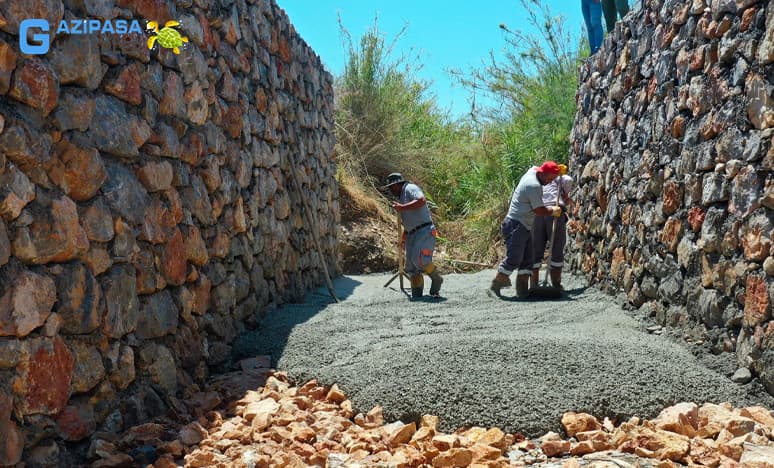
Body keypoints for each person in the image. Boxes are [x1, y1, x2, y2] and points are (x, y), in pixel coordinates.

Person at [490, 162, 563, 298]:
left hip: (524, 225)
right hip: (515, 224)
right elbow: (539, 210)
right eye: (549, 178)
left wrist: (558, 170)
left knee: (528, 259)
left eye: (553, 179)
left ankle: (522, 291)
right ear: (542, 173)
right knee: (514, 258)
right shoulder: (533, 185)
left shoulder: (534, 171)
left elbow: (537, 166)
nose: (550, 182)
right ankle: (495, 286)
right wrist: (553, 210)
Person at [385, 173, 443, 299]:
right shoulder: (401, 196)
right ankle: (417, 294)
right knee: (411, 267)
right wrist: (404, 238)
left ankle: (436, 278)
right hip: (412, 233)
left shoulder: (410, 188)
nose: (390, 190)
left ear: (397, 184)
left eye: (391, 187)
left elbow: (421, 201)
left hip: (424, 230)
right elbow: (409, 221)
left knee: (420, 260)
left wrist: (402, 207)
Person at [531, 164, 573, 290]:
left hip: (538, 212)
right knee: (556, 247)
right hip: (555, 212)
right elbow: (569, 180)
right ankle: (556, 284)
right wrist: (565, 192)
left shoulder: (536, 180)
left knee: (536, 247)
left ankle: (533, 283)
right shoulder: (558, 178)